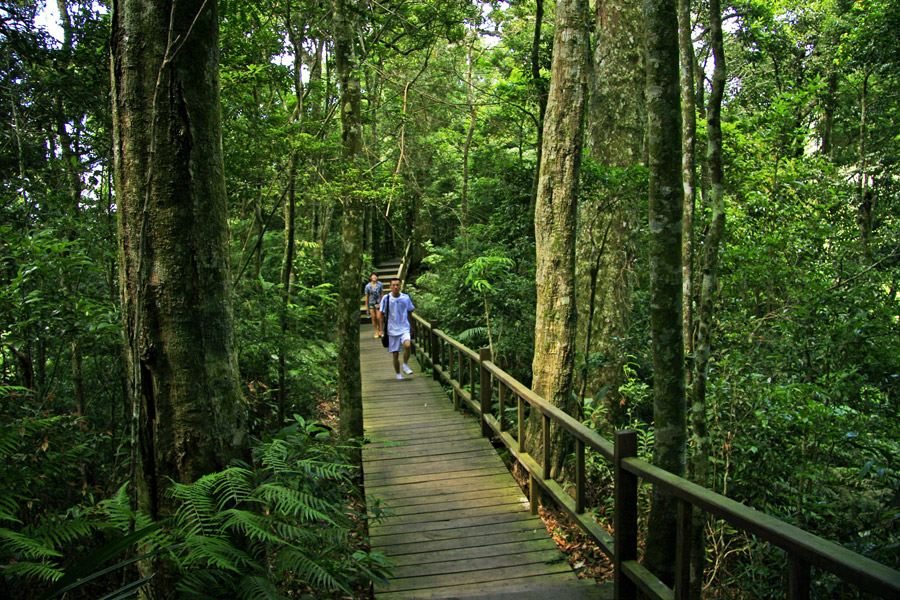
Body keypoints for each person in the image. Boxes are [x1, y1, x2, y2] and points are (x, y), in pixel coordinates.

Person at [378, 278, 415, 380]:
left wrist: (411, 326)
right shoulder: (386, 298)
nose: (395, 287)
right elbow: (380, 314)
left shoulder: (406, 298)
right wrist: (381, 330)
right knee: (395, 353)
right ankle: (398, 374)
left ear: (400, 286)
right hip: (392, 329)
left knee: (408, 345)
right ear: (390, 287)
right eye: (393, 285)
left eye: (397, 285)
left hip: (404, 327)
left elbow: (409, 312)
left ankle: (405, 365)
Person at [364, 273, 384, 338]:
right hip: (371, 303)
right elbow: (366, 296)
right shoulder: (368, 286)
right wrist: (366, 305)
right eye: (373, 276)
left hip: (378, 302)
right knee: (373, 317)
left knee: (379, 317)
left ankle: (381, 330)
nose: (374, 277)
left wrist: (381, 302)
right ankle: (376, 331)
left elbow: (382, 293)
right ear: (370, 278)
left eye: (375, 276)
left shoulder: (380, 284)